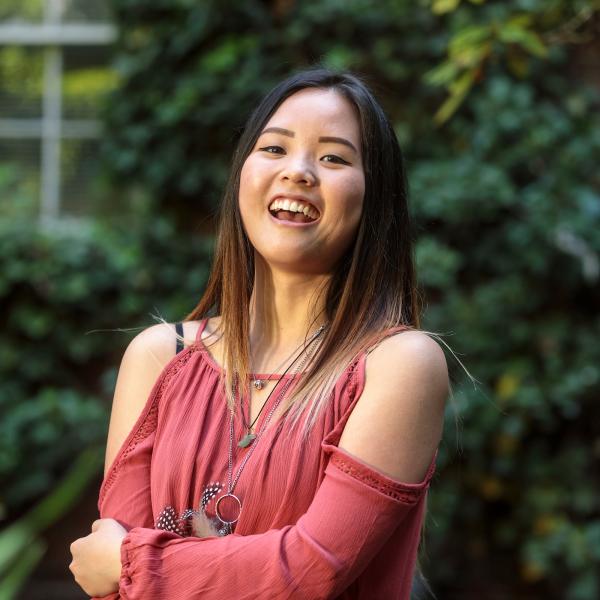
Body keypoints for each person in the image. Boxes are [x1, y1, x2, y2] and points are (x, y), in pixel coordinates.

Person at [69, 67, 449, 599]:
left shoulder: (400, 365)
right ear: (242, 175)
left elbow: (312, 569)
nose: (298, 171)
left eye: (334, 157)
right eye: (274, 148)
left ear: (375, 201)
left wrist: (135, 563)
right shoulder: (159, 358)